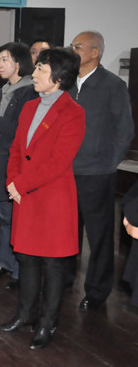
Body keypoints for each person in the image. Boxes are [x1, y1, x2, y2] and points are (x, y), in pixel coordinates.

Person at [0, 48, 85, 350]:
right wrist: (12, 181)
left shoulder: (73, 112)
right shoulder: (29, 106)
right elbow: (16, 149)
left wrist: (20, 185)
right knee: (27, 259)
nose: (33, 74)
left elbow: (58, 162)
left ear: (58, 77)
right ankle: (26, 314)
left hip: (52, 199)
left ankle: (48, 323)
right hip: (25, 195)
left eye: (41, 70)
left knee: (53, 265)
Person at [66, 31, 134, 311]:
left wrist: (108, 164)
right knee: (67, 230)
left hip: (96, 173)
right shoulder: (67, 83)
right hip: (65, 172)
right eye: (72, 46)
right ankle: (64, 279)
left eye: (78, 46)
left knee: (99, 235)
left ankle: (96, 291)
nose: (72, 50)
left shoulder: (112, 85)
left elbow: (124, 130)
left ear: (95, 52)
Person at [0, 42, 36, 290]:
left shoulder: (30, 91)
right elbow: (0, 128)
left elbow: (24, 130)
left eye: (5, 60)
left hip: (16, 163)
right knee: (5, 218)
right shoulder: (3, 90)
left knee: (17, 221)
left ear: (19, 63)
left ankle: (19, 270)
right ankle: (5, 262)